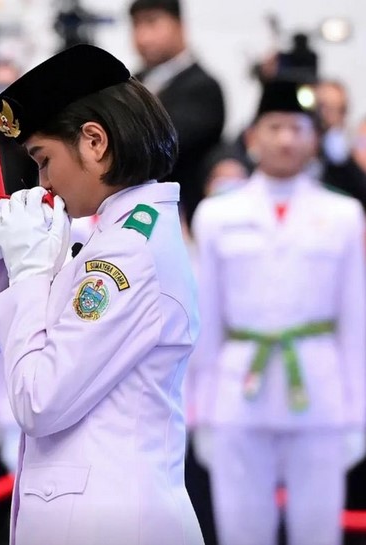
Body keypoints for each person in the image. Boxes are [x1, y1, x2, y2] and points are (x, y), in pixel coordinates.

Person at [0, 43, 203, 545]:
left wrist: (31, 274)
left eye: (43, 159)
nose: (44, 183)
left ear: (95, 141)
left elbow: (39, 400)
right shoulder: (116, 235)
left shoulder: (123, 253)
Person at [190, 79, 366, 545]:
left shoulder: (345, 214)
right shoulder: (216, 215)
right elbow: (204, 320)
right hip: (237, 391)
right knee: (241, 531)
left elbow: (355, 320)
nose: (286, 138)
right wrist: (200, 411)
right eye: (275, 126)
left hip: (320, 391)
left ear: (314, 138)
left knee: (317, 531)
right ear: (252, 137)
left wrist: (358, 414)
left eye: (297, 127)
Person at [129, 0, 225, 225]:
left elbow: (168, 144)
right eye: (136, 25)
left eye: (152, 23)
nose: (143, 36)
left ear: (180, 26)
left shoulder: (204, 87)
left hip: (184, 215)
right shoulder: (130, 82)